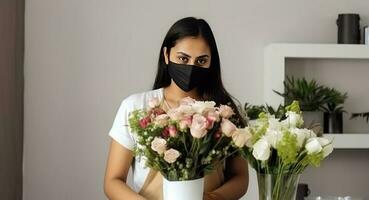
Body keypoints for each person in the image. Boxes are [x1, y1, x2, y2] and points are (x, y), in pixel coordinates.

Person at [104, 17, 249, 200]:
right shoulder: (135, 106)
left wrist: (212, 198)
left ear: (211, 62)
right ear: (166, 55)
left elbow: (240, 178)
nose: (191, 68)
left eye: (201, 61)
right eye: (183, 58)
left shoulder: (225, 111)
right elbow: (113, 181)